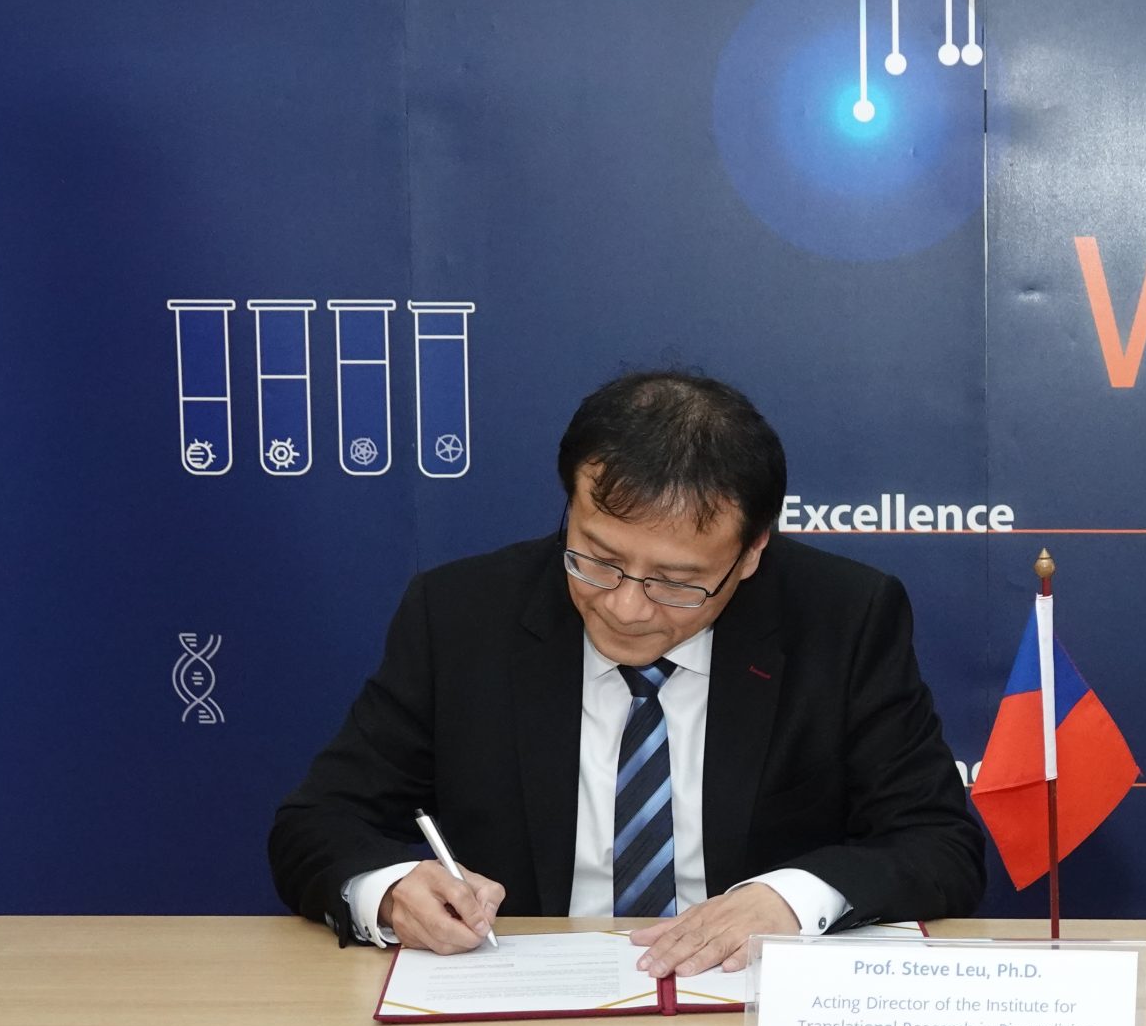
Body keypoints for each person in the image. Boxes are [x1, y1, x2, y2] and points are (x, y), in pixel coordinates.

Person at [271, 370, 984, 975]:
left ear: (752, 552)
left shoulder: (843, 619)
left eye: (677, 581)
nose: (625, 606)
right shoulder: (461, 615)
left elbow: (937, 842)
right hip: (520, 1015)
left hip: (744, 1011)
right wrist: (393, 890)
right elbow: (319, 822)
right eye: (598, 558)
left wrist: (790, 899)